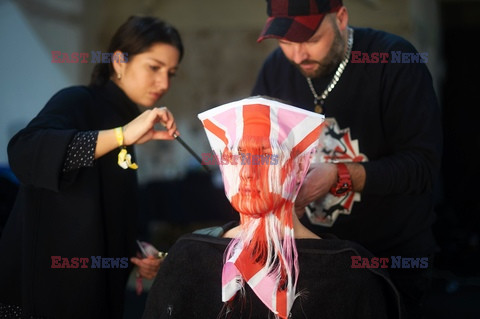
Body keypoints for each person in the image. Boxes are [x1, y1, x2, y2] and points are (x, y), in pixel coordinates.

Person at [251, 1, 443, 318]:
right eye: (286, 42)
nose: (298, 55)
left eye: (311, 39)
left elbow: (421, 167)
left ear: (340, 18)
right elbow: (258, 150)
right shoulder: (276, 69)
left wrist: (338, 175)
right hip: (306, 258)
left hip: (387, 261)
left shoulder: (394, 60)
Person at [142, 96, 403, 319]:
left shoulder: (351, 276)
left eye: (266, 155)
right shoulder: (187, 261)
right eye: (236, 155)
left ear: (300, 166)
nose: (246, 172)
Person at [0, 16, 183, 319]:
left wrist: (135, 251)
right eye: (154, 67)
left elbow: (95, 211)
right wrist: (122, 136)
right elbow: (25, 152)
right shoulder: (78, 101)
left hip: (92, 294)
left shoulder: (125, 123)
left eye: (171, 73)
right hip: (40, 296)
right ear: (119, 62)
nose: (163, 83)